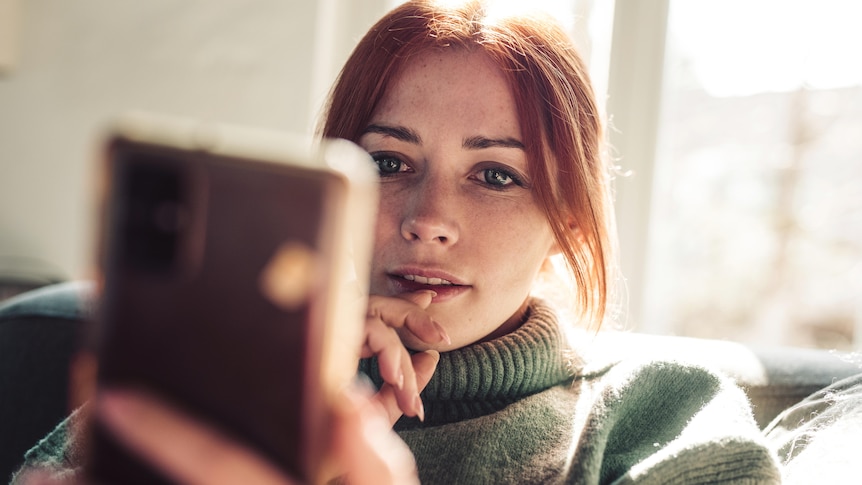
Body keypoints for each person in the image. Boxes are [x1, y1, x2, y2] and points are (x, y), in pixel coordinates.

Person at [13, 0, 802, 483]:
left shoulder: (663, 408)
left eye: (495, 175)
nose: (428, 216)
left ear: (568, 218)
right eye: (390, 162)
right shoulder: (217, 373)